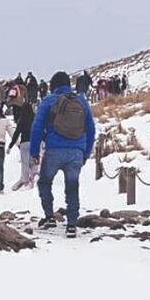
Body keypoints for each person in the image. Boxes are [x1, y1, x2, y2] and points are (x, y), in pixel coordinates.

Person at [31, 70, 97, 238]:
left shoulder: (48, 101)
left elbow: (37, 127)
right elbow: (91, 130)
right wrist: (86, 153)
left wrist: (34, 152)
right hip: (76, 152)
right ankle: (72, 225)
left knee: (45, 182)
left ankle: (49, 216)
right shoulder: (81, 101)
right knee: (72, 187)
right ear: (69, 84)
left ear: (53, 86)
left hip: (54, 150)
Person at [8, 95, 36, 190]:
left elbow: (16, 134)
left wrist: (10, 146)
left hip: (24, 143)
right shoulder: (35, 120)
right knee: (34, 162)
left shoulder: (22, 120)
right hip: (34, 142)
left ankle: (25, 180)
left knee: (25, 163)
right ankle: (33, 179)